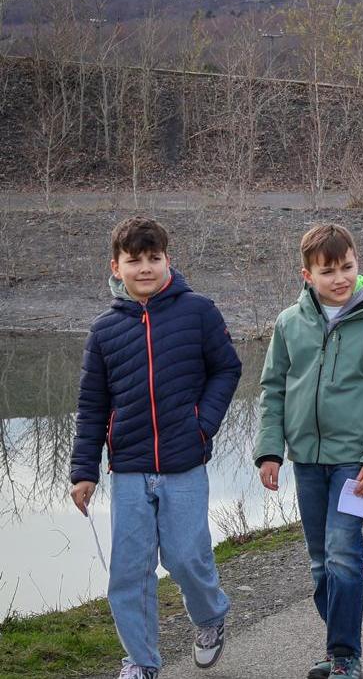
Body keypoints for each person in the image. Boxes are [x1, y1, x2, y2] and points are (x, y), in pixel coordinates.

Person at [71, 217, 242, 679]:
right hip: (127, 467)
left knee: (187, 557)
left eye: (153, 258)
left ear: (168, 260)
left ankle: (210, 617)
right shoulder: (104, 330)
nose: (145, 268)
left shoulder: (198, 311)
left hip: (184, 462)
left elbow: (227, 370)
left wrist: (202, 425)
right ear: (116, 266)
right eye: (134, 260)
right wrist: (83, 470)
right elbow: (91, 406)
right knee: (129, 573)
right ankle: (142, 661)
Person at [256, 224, 363, 679]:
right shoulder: (289, 324)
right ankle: (340, 643)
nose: (340, 278)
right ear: (307, 274)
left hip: (354, 463)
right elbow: (273, 390)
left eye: (347, 267)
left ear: (357, 264)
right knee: (320, 562)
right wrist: (270, 450)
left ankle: (345, 656)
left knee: (344, 554)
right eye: (328, 271)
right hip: (306, 461)